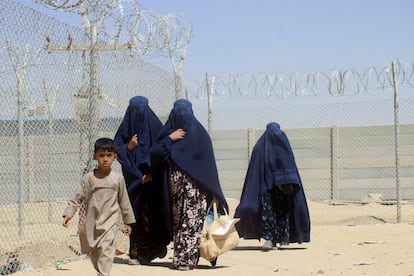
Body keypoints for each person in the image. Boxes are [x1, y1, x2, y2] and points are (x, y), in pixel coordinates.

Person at [150, 99, 228, 270]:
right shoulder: (169, 133)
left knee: (191, 222)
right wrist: (170, 139)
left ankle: (186, 259)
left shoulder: (200, 136)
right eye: (178, 112)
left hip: (197, 190)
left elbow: (208, 166)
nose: (181, 116)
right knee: (179, 222)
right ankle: (183, 257)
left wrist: (213, 189)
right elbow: (155, 152)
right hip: (175, 189)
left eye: (185, 112)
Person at [62, 137, 136, 276]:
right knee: (95, 253)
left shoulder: (118, 178)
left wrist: (128, 221)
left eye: (109, 155)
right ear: (94, 156)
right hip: (92, 222)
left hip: (110, 223)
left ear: (115, 157)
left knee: (106, 252)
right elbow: (77, 197)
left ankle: (103, 274)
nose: (105, 159)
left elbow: (124, 200)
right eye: (101, 156)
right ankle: (101, 271)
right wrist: (68, 214)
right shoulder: (88, 178)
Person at [234, 122, 310, 250]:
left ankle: (278, 239)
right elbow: (256, 169)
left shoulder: (281, 144)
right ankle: (269, 239)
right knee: (268, 214)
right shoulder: (261, 147)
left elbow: (289, 164)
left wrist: (285, 180)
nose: (275, 135)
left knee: (282, 215)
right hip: (267, 189)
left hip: (282, 190)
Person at [113, 96, 170, 265]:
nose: (136, 114)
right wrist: (129, 148)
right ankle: (137, 254)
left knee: (152, 216)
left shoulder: (155, 129)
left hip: (153, 183)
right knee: (135, 216)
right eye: (134, 110)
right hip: (134, 184)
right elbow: (117, 152)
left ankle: (156, 248)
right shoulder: (125, 131)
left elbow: (163, 151)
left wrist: (152, 172)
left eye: (140, 110)